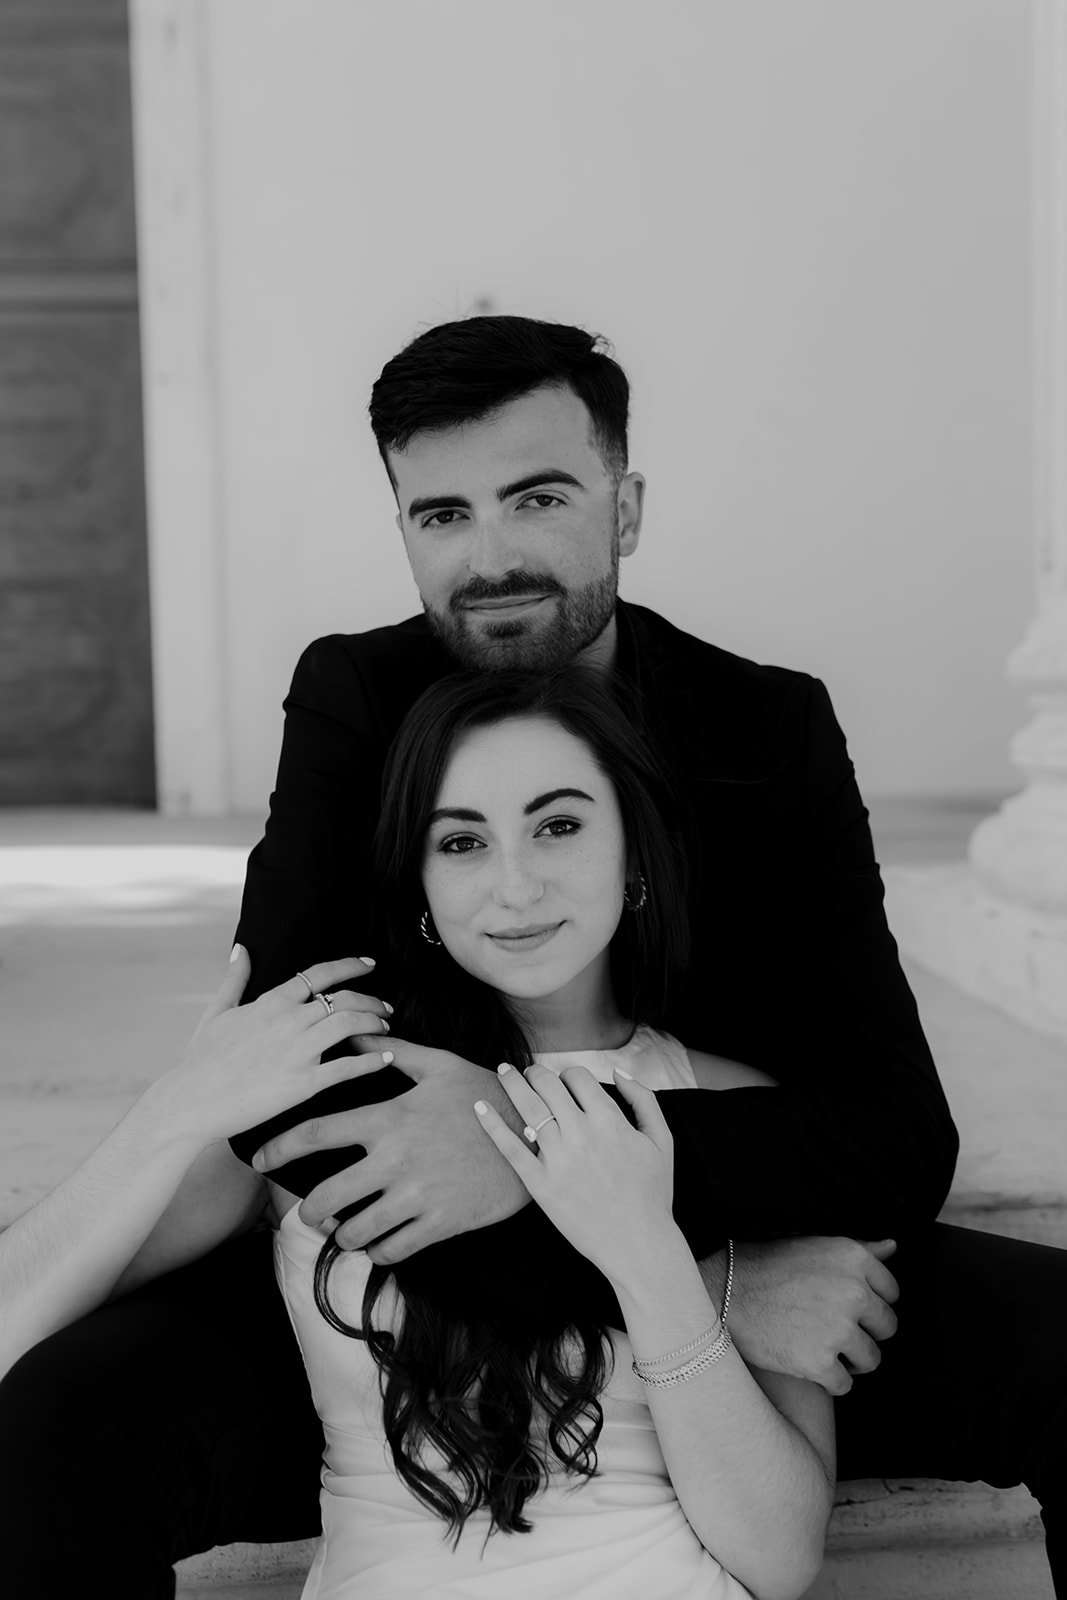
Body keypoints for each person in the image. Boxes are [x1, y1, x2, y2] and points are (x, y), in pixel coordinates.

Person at [1, 314, 1065, 1597]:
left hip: (732, 1306)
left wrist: (550, 1162)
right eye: (438, 514)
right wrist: (690, 1283)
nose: (488, 556)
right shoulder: (353, 697)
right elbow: (295, 1094)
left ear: (623, 507)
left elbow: (892, 1140)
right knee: (62, 1419)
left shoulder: (765, 725)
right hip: (401, 1309)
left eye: (536, 496)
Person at [0, 668, 835, 1600]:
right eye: (463, 841)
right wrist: (177, 1106)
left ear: (634, 851)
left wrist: (647, 1255)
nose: (515, 887)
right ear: (421, 882)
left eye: (558, 825)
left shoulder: (730, 1103)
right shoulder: (337, 1110)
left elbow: (781, 1555)